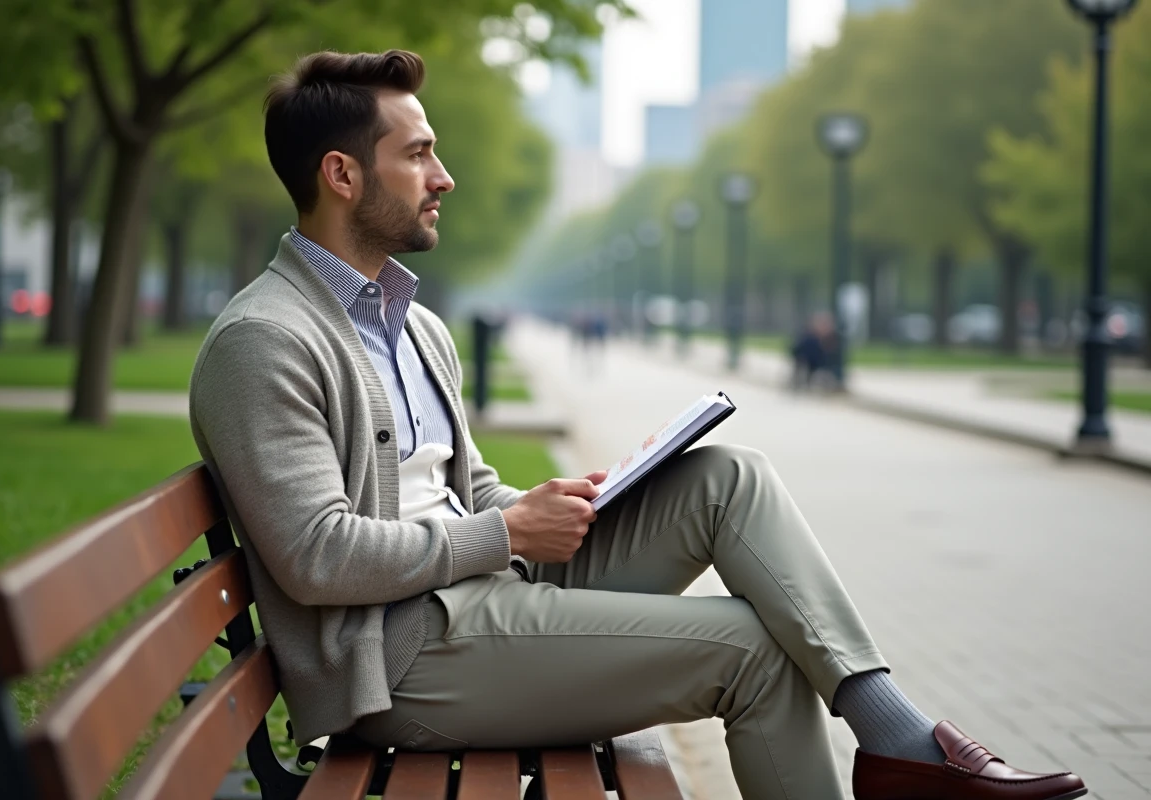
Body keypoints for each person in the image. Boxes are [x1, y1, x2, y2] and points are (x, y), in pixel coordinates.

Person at [188, 50, 1086, 800]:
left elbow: (461, 489)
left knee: (729, 478)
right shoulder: (265, 342)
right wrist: (501, 532)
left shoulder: (413, 324)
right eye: (418, 154)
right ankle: (910, 758)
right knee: (753, 651)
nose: (443, 177)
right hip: (400, 663)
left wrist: (563, 499)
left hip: (478, 599)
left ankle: (894, 733)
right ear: (341, 174)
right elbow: (316, 556)